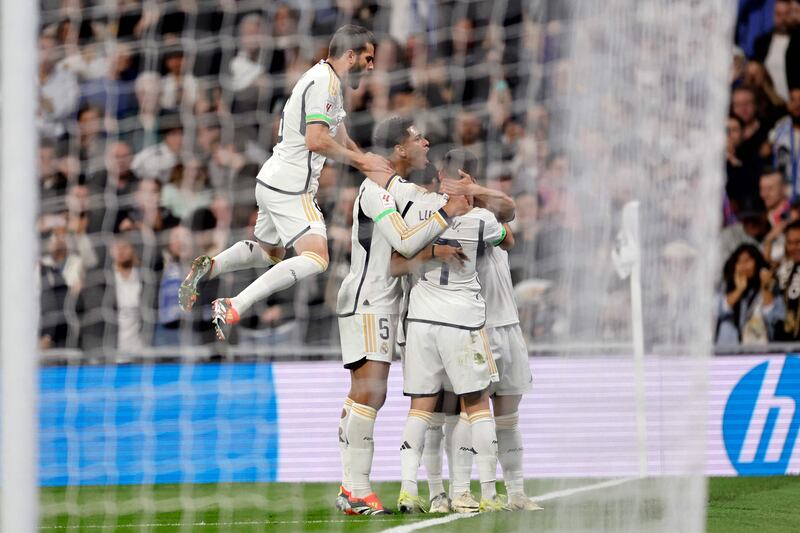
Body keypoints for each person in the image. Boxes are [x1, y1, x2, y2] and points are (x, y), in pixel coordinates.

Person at [177, 24, 393, 341]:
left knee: (268, 254)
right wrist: (362, 162)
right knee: (318, 257)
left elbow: (339, 132)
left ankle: (210, 267)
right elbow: (317, 140)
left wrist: (366, 162)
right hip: (293, 185)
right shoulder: (324, 83)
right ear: (350, 55)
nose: (372, 66)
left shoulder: (324, 77)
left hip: (272, 179)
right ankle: (234, 304)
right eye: (369, 58)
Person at [334, 116, 470, 515]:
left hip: (383, 301)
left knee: (365, 394)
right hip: (368, 300)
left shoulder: (399, 188)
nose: (426, 142)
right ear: (399, 148)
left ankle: (350, 487)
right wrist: (446, 216)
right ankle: (356, 489)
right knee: (371, 393)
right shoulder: (376, 187)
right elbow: (405, 242)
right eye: (418, 138)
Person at [391, 149, 513, 513]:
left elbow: (395, 263)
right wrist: (479, 195)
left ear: (441, 174)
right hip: (462, 321)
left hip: (421, 320)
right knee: (476, 406)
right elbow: (510, 234)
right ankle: (486, 495)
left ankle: (409, 490)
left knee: (421, 408)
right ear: (469, 178)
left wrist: (429, 250)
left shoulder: (418, 210)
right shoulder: (482, 219)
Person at [715, 244, 783, 345]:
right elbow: (719, 310)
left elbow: (774, 319)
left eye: (747, 261)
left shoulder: (770, 285)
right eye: (739, 262)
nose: (743, 266)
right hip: (727, 351)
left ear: (757, 262)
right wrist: (739, 290)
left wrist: (765, 288)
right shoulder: (726, 285)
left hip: (758, 352)